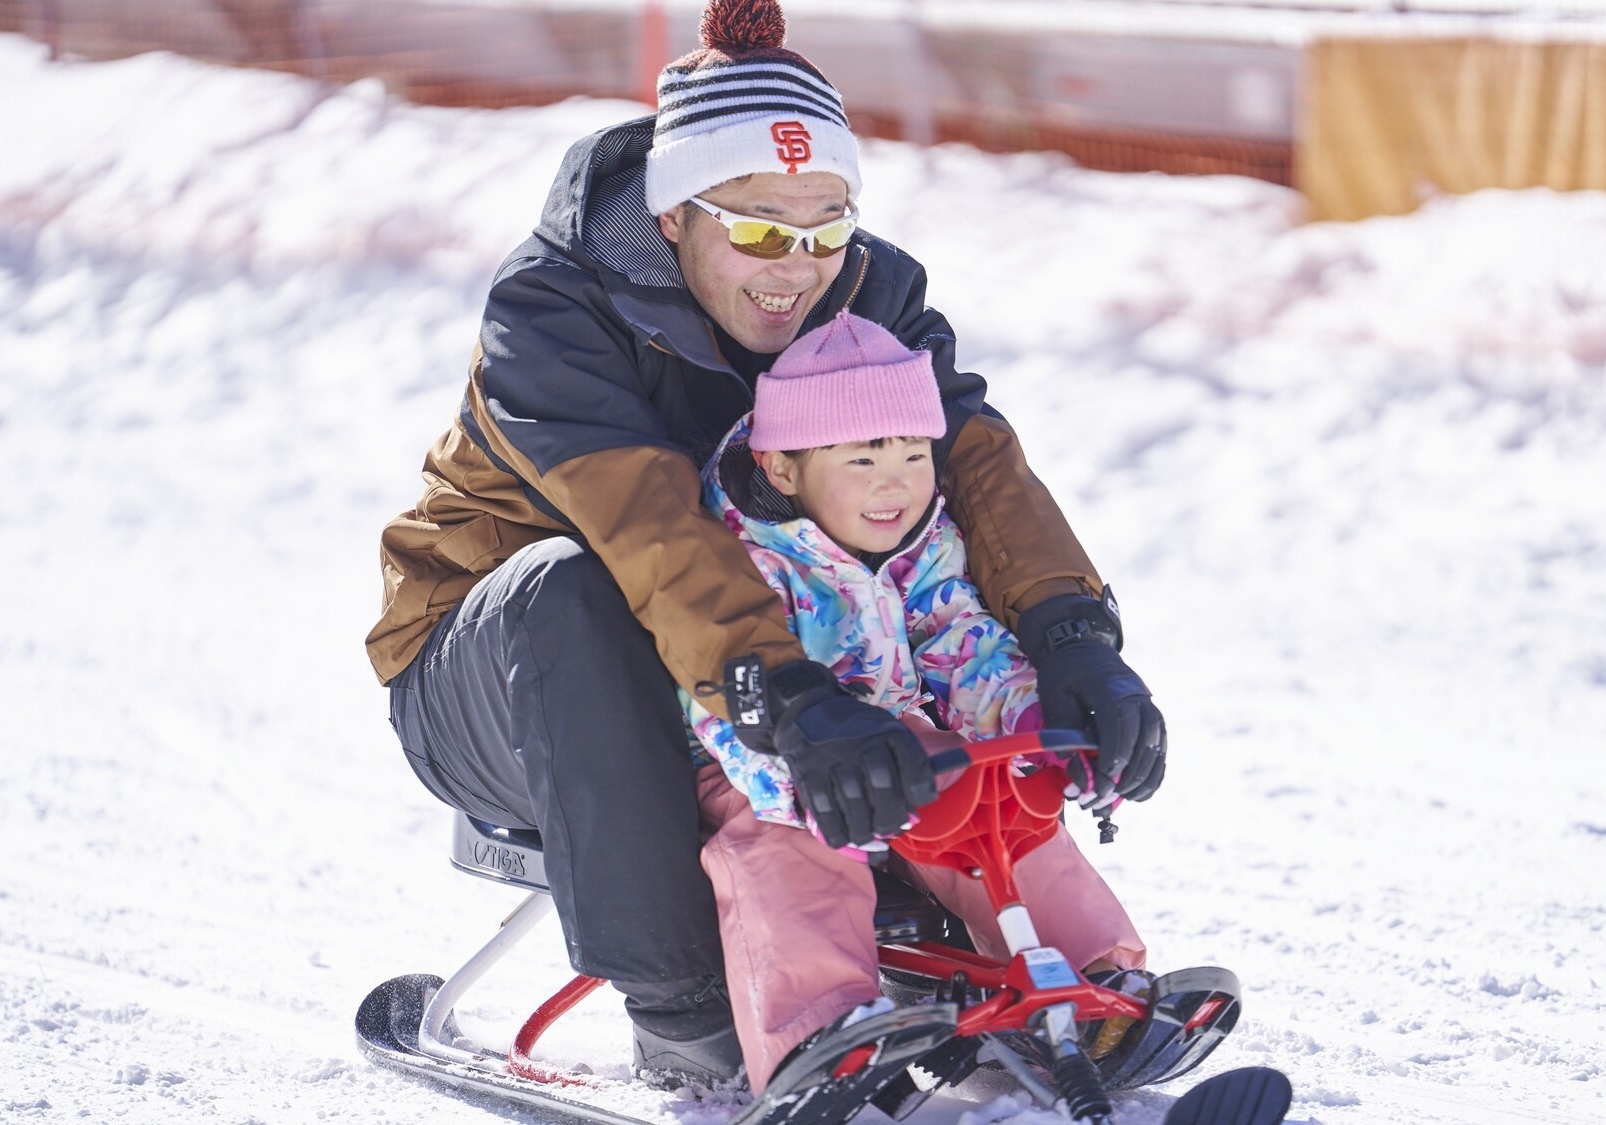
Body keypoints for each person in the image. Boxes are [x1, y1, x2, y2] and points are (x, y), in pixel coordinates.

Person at [367, 0, 1165, 1086]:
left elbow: (967, 457)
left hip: (742, 664)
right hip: (498, 684)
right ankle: (686, 1009)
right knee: (575, 589)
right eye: (753, 228)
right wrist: (787, 697)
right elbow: (647, 525)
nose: (795, 265)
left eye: (825, 225)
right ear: (670, 216)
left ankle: (975, 964)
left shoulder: (864, 291)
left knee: (886, 513)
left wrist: (1073, 636)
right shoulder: (551, 314)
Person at [683, 310, 1148, 1094]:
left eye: (913, 453)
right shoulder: (746, 555)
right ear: (785, 467)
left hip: (898, 747)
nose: (895, 481)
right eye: (862, 459)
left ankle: (1093, 985)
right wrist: (801, 775)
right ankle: (819, 1031)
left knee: (1001, 797)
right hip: (758, 763)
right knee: (794, 844)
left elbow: (959, 636)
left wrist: (1031, 725)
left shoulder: (921, 540)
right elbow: (720, 688)